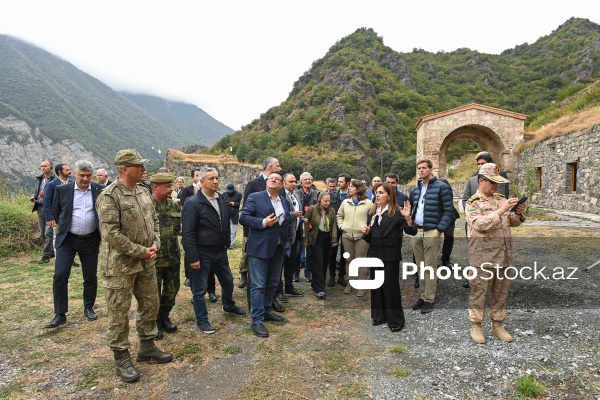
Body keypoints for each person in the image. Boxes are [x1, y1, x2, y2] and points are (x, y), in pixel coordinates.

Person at [96, 149, 172, 383]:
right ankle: (121, 358)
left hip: (146, 262)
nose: (143, 169)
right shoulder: (110, 196)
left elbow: (155, 220)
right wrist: (140, 251)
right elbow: (111, 233)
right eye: (138, 166)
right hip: (120, 266)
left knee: (150, 304)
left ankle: (147, 347)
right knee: (119, 312)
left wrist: (156, 243)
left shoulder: (143, 191)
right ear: (124, 168)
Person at [465, 163, 526, 344]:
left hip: (503, 255)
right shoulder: (473, 203)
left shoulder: (500, 199)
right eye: (491, 182)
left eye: (497, 183)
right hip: (482, 257)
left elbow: (510, 222)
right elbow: (480, 224)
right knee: (479, 292)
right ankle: (476, 325)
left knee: (501, 292)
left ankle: (497, 324)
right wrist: (501, 210)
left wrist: (518, 215)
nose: (495, 186)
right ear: (481, 181)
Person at [181, 167, 247, 334]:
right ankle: (202, 320)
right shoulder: (193, 203)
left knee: (228, 280)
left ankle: (228, 305)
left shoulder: (221, 199)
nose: (216, 181)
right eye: (211, 178)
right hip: (202, 252)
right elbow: (187, 233)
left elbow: (224, 223)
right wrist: (193, 257)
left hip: (220, 251)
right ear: (201, 182)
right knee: (199, 289)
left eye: (217, 178)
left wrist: (225, 242)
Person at [45, 160, 102, 328]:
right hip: (67, 240)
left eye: (88, 175)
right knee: (60, 275)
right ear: (75, 174)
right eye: (82, 175)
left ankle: (89, 307)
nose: (85, 179)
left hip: (91, 239)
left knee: (90, 276)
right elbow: (57, 211)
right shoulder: (62, 189)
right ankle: (60, 314)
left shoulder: (99, 190)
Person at [240, 172, 293, 338]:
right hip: (259, 248)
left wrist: (287, 244)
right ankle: (256, 319)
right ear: (266, 182)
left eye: (277, 179)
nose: (274, 179)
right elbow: (244, 218)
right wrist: (263, 222)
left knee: (272, 283)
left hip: (278, 249)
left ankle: (267, 310)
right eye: (271, 178)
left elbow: (286, 224)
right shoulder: (256, 197)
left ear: (282, 184)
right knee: (258, 285)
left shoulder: (284, 201)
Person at [361, 183, 417, 332]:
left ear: (389, 195)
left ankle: (395, 320)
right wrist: (366, 233)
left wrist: (408, 218)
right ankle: (379, 316)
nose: (377, 195)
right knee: (377, 285)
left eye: (381, 192)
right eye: (376, 192)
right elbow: (369, 237)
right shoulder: (372, 212)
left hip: (390, 255)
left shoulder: (398, 213)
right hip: (375, 254)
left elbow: (412, 231)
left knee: (390, 287)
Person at [409, 159, 454, 314]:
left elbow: (449, 210)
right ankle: (422, 296)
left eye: (424, 168)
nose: (421, 170)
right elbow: (414, 209)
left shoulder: (441, 187)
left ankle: (429, 298)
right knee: (420, 266)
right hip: (417, 231)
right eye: (419, 168)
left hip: (432, 231)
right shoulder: (416, 190)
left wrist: (439, 229)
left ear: (430, 169)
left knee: (430, 266)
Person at [239, 157, 282, 291]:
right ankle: (253, 303)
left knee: (271, 276)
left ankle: (271, 300)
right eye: (278, 166)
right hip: (257, 234)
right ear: (270, 167)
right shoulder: (254, 184)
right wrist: (246, 234)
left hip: (275, 238)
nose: (280, 168)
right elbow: (246, 211)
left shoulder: (279, 184)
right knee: (256, 277)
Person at [150, 173, 181, 340]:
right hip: (153, 259)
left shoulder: (174, 206)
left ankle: (164, 317)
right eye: (167, 186)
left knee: (171, 291)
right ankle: (154, 324)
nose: (171, 189)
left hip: (172, 257)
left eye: (171, 185)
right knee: (153, 294)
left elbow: (178, 229)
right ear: (156, 187)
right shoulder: (147, 206)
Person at [336, 179, 373, 296]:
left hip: (362, 236)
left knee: (361, 260)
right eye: (349, 187)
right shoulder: (345, 202)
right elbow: (339, 215)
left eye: (352, 187)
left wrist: (368, 228)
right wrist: (342, 226)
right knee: (349, 261)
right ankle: (350, 283)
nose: (349, 188)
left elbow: (373, 218)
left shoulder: (368, 203)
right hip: (347, 235)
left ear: (358, 189)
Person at [303, 191, 338, 298]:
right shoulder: (312, 209)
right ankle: (320, 289)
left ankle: (316, 283)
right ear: (320, 200)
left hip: (327, 238)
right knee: (318, 262)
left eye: (329, 201)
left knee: (324, 263)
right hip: (315, 238)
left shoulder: (331, 210)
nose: (328, 203)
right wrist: (305, 239)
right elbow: (305, 224)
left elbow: (334, 226)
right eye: (325, 201)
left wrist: (334, 239)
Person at [277, 173, 304, 299]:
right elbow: (279, 214)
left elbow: (298, 214)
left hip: (294, 235)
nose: (294, 184)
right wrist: (293, 215)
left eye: (295, 181)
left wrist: (303, 219)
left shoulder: (296, 195)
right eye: (291, 181)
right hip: (283, 236)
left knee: (291, 263)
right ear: (284, 183)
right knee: (280, 264)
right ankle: (279, 291)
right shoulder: (280, 195)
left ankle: (289, 287)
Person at [31, 159, 56, 264]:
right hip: (40, 207)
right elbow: (37, 191)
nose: (43, 168)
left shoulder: (55, 179)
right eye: (41, 166)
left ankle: (45, 256)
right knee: (42, 233)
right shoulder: (40, 179)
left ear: (51, 167)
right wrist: (33, 197)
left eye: (45, 166)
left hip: (51, 208)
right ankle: (51, 252)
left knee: (48, 232)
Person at [179, 169, 200, 287]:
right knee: (189, 253)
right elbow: (183, 205)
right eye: (197, 175)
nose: (198, 177)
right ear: (192, 177)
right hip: (190, 222)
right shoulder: (187, 190)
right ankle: (188, 276)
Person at [297, 171, 319, 282]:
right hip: (299, 224)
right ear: (301, 182)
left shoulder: (317, 194)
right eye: (305, 179)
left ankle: (308, 272)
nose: (307, 181)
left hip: (312, 225)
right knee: (297, 250)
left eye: (309, 179)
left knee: (310, 251)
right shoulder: (296, 194)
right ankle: (296, 273)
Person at [222, 183, 242, 249]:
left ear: (234, 189)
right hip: (226, 213)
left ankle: (231, 243)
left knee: (233, 229)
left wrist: (234, 203)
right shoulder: (224, 194)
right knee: (225, 228)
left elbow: (240, 204)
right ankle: (225, 242)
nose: (229, 193)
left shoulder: (239, 195)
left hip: (234, 214)